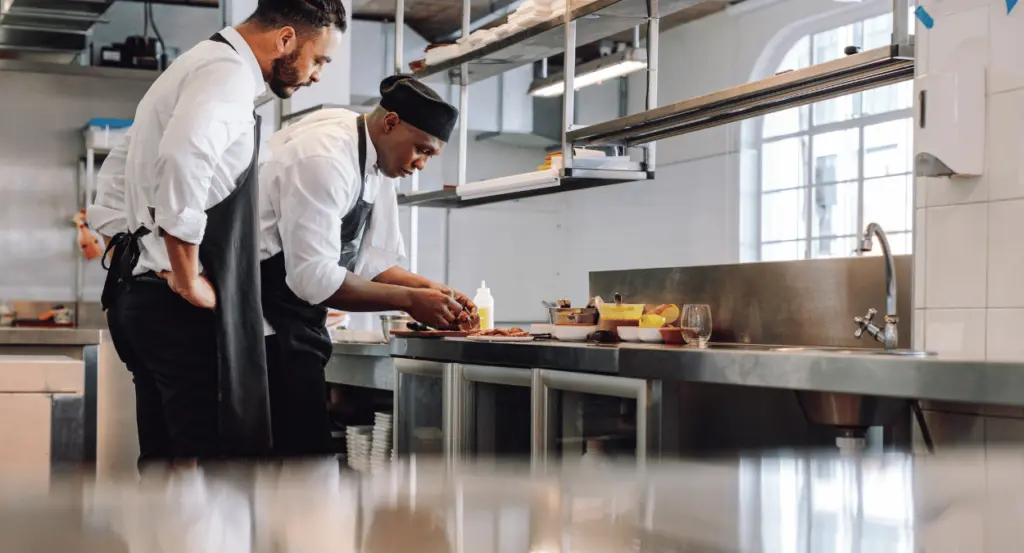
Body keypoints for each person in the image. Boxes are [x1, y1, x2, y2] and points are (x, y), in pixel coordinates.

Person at [85, 0, 348, 464]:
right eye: (319, 59)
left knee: (166, 464)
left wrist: (138, 261)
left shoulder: (193, 65)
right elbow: (183, 161)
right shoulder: (227, 73)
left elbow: (112, 182)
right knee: (205, 470)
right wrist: (186, 278)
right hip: (175, 309)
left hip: (139, 300)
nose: (317, 75)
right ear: (286, 38)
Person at [258, 75, 476, 456]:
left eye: (430, 156)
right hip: (264, 326)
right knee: (290, 463)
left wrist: (434, 291)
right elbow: (313, 278)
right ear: (390, 123)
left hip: (300, 325)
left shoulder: (378, 163)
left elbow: (372, 263)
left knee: (305, 460)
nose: (421, 164)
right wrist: (411, 301)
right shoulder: (325, 157)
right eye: (421, 150)